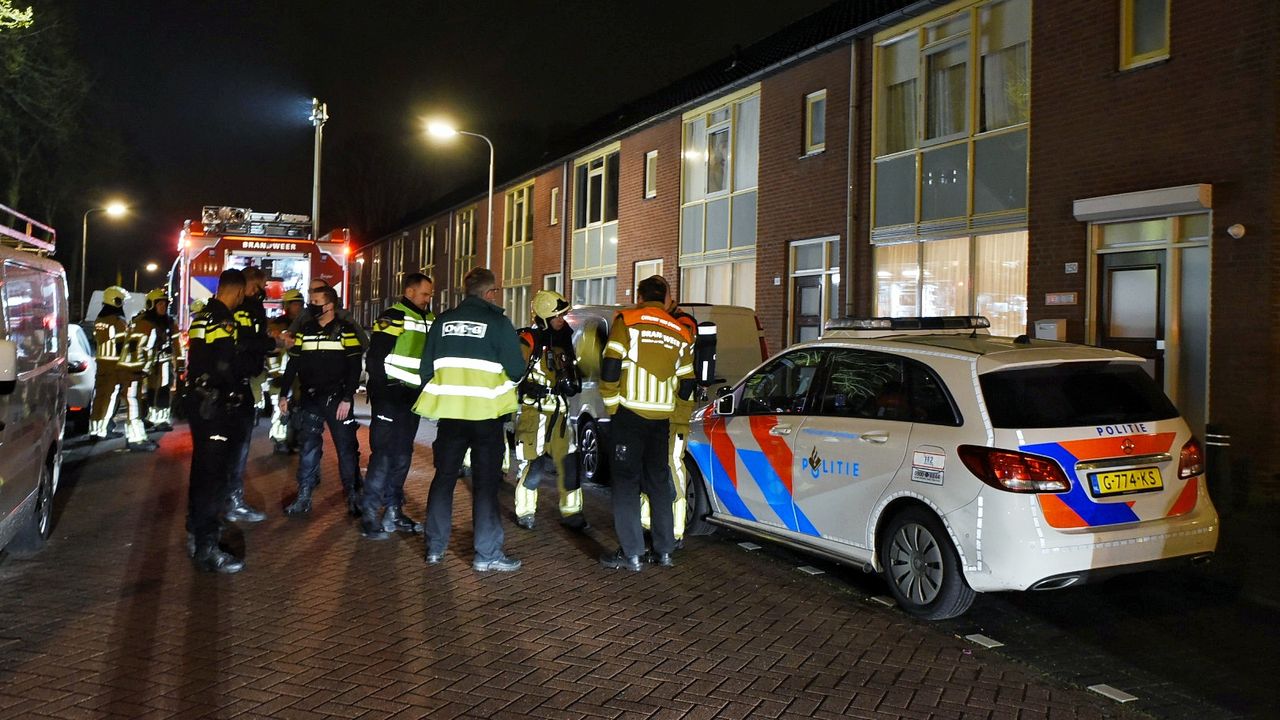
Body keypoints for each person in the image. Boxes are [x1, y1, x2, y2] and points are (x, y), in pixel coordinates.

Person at [415, 267, 525, 572]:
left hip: (450, 416)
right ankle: (486, 553)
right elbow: (516, 370)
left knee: (444, 479)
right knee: (486, 484)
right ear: (490, 293)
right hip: (486, 417)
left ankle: (435, 548)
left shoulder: (442, 321)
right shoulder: (498, 322)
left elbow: (426, 369)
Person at [599, 275, 694, 572]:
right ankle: (664, 551)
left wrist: (612, 404)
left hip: (630, 414)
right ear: (665, 297)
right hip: (661, 418)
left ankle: (632, 554)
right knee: (658, 482)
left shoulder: (626, 320)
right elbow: (688, 381)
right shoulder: (680, 330)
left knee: (626, 483)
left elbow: (611, 363)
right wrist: (676, 411)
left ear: (640, 295)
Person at [184, 269, 255, 573]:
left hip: (201, 404)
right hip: (217, 409)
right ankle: (207, 547)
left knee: (202, 474)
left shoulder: (201, 316)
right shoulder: (224, 320)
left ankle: (197, 527)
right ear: (237, 292)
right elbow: (228, 365)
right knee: (212, 479)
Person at [278, 285, 365, 517]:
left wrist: (348, 397)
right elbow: (293, 364)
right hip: (310, 398)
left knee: (346, 449)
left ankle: (353, 496)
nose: (311, 305)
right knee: (308, 448)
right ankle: (304, 497)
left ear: (329, 305)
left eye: (316, 301)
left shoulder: (346, 330)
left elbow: (355, 366)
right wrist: (283, 394)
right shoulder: (306, 330)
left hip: (337, 400)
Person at [360, 273, 435, 540]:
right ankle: (368, 514)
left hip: (411, 397)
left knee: (403, 454)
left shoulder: (431, 319)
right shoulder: (394, 316)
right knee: (383, 455)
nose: (428, 299)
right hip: (390, 394)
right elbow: (375, 356)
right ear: (410, 291)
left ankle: (393, 510)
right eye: (425, 294)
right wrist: (381, 391)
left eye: (430, 294)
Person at [639, 300, 714, 550]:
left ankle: (674, 530)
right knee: (653, 469)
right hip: (659, 413)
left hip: (675, 414)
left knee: (671, 468)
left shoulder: (683, 326)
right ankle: (650, 524)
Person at [512, 290, 586, 531]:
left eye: (563, 315)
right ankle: (525, 512)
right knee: (533, 466)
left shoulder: (565, 339)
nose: (561, 320)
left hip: (561, 413)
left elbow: (574, 373)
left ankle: (572, 512)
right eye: (557, 315)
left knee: (569, 464)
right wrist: (526, 387)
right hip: (535, 413)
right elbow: (511, 373)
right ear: (544, 316)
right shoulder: (529, 340)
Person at [224, 266, 273, 523]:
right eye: (259, 285)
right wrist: (271, 342)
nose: (262, 290)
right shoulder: (244, 310)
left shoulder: (246, 308)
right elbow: (244, 341)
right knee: (238, 447)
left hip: (243, 380)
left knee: (236, 447)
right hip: (239, 382)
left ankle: (229, 498)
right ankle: (232, 500)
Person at [89, 285, 156, 451]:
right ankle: (104, 429)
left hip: (101, 363)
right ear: (116, 301)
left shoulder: (99, 321)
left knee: (99, 396)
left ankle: (95, 429)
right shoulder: (117, 321)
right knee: (111, 397)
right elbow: (123, 345)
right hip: (115, 365)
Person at [133, 288, 181, 432]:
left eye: (165, 304)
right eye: (159, 304)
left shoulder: (170, 322)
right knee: (146, 392)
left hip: (164, 365)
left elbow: (176, 344)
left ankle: (161, 419)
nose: (163, 307)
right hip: (146, 366)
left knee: (163, 391)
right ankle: (146, 417)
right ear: (151, 305)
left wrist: (180, 363)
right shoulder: (142, 322)